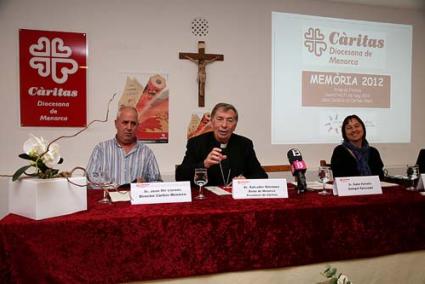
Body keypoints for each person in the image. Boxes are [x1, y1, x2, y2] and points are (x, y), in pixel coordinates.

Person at [175, 103, 267, 186]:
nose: (224, 125)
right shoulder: (196, 143)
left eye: (230, 120)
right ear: (212, 122)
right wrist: (204, 164)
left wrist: (246, 180)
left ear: (235, 125)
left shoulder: (244, 144)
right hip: (207, 199)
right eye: (220, 119)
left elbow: (262, 175)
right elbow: (180, 176)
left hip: (235, 199)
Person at [87, 106, 161, 186]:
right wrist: (112, 186)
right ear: (116, 124)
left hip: (135, 198)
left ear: (137, 126)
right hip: (108, 198)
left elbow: (157, 183)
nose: (129, 128)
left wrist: (146, 185)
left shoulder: (146, 153)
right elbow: (89, 180)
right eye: (125, 122)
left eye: (133, 123)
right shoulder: (101, 150)